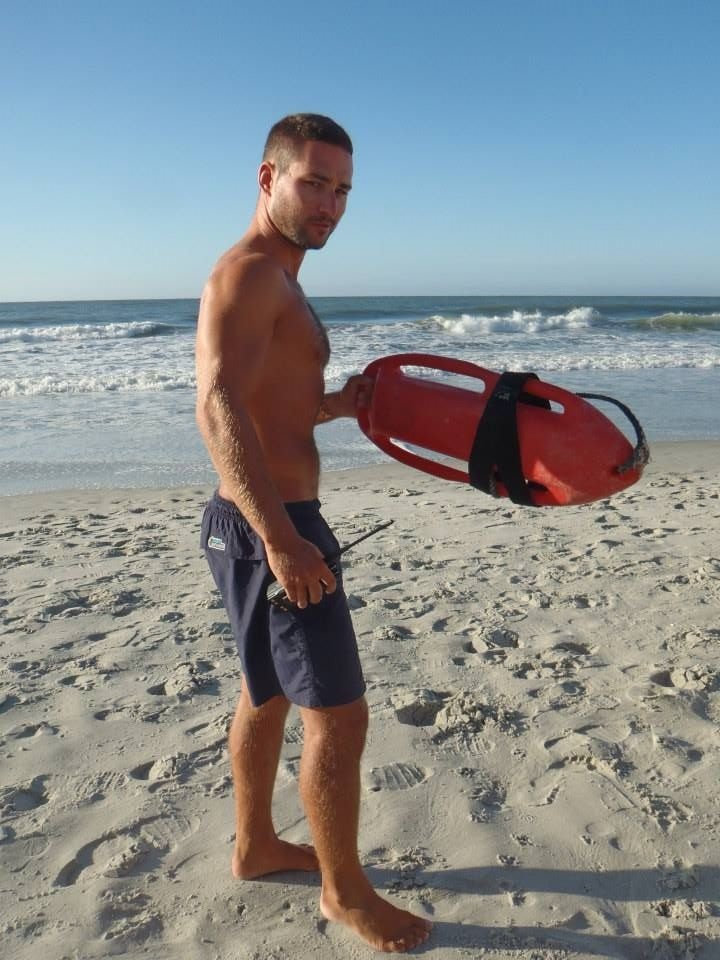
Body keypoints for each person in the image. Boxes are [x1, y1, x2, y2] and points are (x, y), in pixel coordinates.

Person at [195, 114, 432, 953]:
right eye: (315, 182)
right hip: (270, 521)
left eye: (343, 190)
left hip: (254, 519)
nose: (330, 203)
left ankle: (256, 846)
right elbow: (218, 406)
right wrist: (281, 540)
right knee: (339, 716)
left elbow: (270, 403)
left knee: (265, 691)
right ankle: (344, 892)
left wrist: (336, 404)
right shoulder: (252, 273)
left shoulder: (283, 281)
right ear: (269, 179)